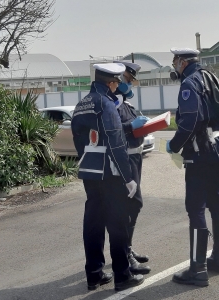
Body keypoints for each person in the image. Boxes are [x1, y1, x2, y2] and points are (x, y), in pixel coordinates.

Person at [165, 48, 219, 287]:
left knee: (195, 208)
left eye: (175, 61)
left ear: (183, 62)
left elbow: (190, 120)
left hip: (199, 154)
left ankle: (198, 269)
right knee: (216, 201)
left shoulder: (190, 83)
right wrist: (217, 137)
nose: (174, 64)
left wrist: (174, 145)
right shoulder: (212, 77)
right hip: (218, 150)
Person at [71, 63, 145, 291]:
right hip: (110, 173)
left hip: (90, 170)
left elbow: (78, 140)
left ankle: (94, 274)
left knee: (93, 223)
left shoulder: (82, 103)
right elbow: (115, 144)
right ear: (111, 83)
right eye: (116, 83)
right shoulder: (106, 104)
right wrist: (128, 178)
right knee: (118, 223)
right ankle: (122, 276)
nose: (117, 88)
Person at [113, 61, 151, 275]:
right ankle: (124, 253)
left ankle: (127, 248)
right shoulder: (114, 104)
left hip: (135, 160)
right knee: (129, 206)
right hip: (124, 162)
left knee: (133, 206)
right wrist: (132, 126)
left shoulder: (126, 104)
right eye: (127, 80)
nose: (130, 85)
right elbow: (115, 131)